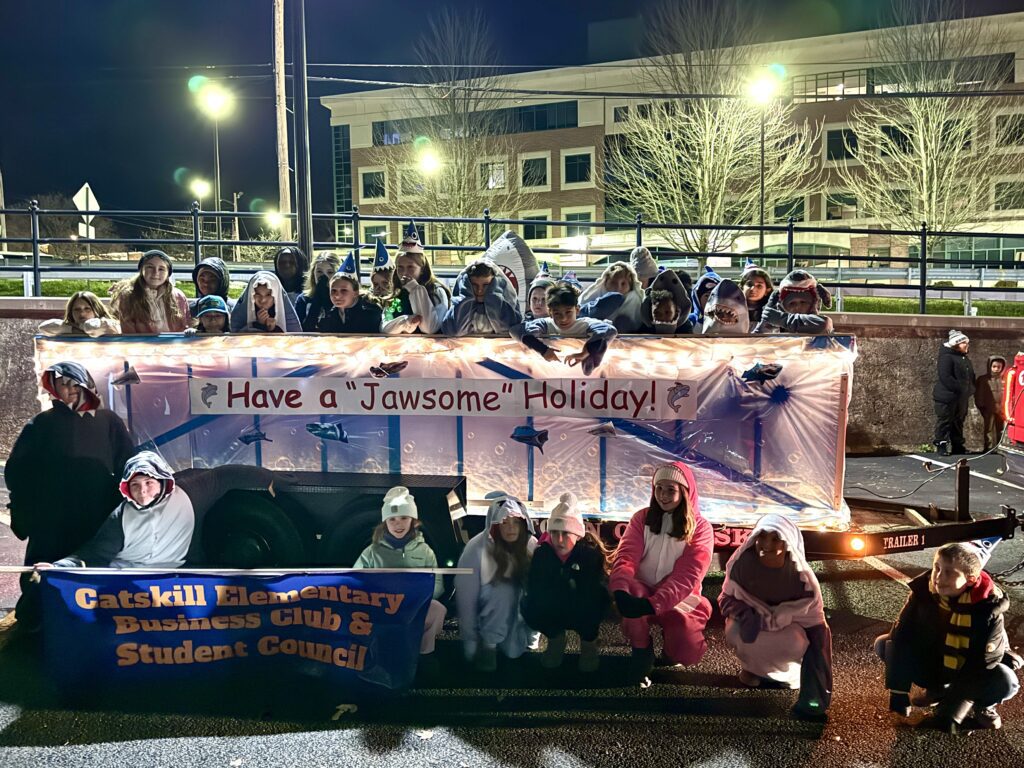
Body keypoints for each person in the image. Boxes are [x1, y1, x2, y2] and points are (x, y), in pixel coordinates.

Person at [5, 362, 134, 629]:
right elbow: (18, 470)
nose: (70, 389)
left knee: (92, 564)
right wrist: (25, 508)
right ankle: (34, 621)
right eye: (63, 383)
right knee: (43, 567)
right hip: (51, 516)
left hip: (97, 512)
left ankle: (92, 621)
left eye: (75, 382)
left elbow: (126, 462)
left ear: (87, 383)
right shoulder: (41, 423)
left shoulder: (109, 421)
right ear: (54, 389)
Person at [874, 541, 1021, 733]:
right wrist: (898, 691)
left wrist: (952, 713)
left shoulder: (988, 610)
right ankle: (937, 690)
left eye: (949, 572)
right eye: (936, 568)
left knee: (1006, 680)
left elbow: (981, 665)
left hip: (971, 668)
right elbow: (901, 637)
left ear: (970, 580)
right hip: (939, 660)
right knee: (884, 644)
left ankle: (983, 706)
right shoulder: (923, 593)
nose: (938, 577)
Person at [47, 451, 277, 569]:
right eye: (135, 486)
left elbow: (226, 475)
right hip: (127, 583)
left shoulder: (191, 493)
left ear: (163, 480)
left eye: (149, 483)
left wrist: (271, 478)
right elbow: (93, 555)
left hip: (175, 578)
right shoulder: (121, 516)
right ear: (126, 488)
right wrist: (58, 567)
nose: (143, 492)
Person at [719, 514, 833, 721]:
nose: (766, 544)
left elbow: (818, 631)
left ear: (787, 543)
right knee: (734, 629)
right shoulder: (740, 567)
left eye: (775, 538)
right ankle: (752, 669)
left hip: (788, 637)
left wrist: (815, 695)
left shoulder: (803, 582)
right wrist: (747, 614)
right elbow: (725, 598)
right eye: (762, 537)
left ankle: (788, 675)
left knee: (794, 639)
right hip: (751, 628)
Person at [609, 461, 714, 682]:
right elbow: (626, 556)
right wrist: (620, 588)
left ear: (685, 493)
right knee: (631, 599)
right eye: (659, 488)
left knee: (687, 651)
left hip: (681, 597)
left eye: (671, 490)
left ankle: (671, 647)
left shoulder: (701, 528)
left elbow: (689, 575)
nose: (663, 495)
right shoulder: (641, 518)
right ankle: (641, 650)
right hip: (643, 589)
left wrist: (654, 603)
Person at [353, 486, 447, 659]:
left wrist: (418, 598)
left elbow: (438, 583)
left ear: (413, 520)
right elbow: (355, 579)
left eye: (404, 518)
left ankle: (425, 653)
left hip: (415, 605)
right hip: (381, 606)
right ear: (385, 522)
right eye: (392, 519)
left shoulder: (425, 551)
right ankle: (377, 654)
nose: (398, 524)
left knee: (438, 610)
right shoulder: (372, 552)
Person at [521, 493, 610, 672]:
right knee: (529, 605)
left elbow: (593, 593)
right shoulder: (542, 554)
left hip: (582, 606)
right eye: (554, 533)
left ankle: (588, 644)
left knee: (594, 604)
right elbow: (536, 589)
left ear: (578, 535)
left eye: (565, 533)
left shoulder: (590, 555)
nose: (559, 540)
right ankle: (555, 639)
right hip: (555, 605)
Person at [455, 492, 538, 671]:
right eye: (504, 522)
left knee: (514, 653)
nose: (511, 528)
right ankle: (489, 647)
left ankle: (520, 642)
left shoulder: (531, 545)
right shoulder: (477, 548)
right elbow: (466, 599)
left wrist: (533, 637)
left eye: (516, 522)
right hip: (486, 617)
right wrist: (470, 642)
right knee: (503, 591)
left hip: (517, 616)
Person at [510, 283, 617, 375]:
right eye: (557, 313)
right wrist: (543, 350)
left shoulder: (585, 323)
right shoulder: (544, 323)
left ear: (577, 310)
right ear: (550, 313)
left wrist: (585, 352)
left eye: (568, 312)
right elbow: (516, 330)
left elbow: (609, 330)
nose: (563, 318)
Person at [109, 249, 190, 333]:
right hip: (142, 344)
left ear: (168, 274)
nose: (155, 273)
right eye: (150, 267)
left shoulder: (178, 296)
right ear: (141, 271)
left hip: (174, 344)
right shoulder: (128, 296)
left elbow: (185, 326)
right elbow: (128, 332)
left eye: (161, 269)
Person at [442, 258, 522, 336]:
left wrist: (493, 298)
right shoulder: (458, 309)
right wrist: (466, 298)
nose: (480, 290)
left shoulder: (505, 309)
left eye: (486, 285)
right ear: (467, 284)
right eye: (474, 285)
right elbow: (455, 331)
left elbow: (506, 329)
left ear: (494, 284)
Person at [315, 254, 384, 333]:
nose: (337, 296)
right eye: (333, 290)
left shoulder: (370, 312)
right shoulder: (330, 314)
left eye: (344, 290)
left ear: (355, 292)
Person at [932, 330, 975, 456]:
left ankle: (958, 445)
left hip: (961, 397)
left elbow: (971, 376)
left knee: (958, 421)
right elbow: (945, 377)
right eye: (964, 343)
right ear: (956, 344)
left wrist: (971, 389)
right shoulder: (946, 357)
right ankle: (941, 445)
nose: (967, 345)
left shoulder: (964, 359)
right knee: (945, 421)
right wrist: (961, 388)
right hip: (947, 397)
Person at [752, 269, 833, 335]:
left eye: (803, 302)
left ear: (813, 304)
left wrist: (782, 319)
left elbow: (824, 324)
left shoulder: (820, 324)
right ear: (783, 306)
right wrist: (767, 318)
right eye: (792, 303)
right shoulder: (776, 327)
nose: (798, 307)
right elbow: (756, 338)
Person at [390, 249, 451, 334]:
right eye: (400, 267)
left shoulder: (436, 291)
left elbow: (429, 328)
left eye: (410, 267)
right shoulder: (397, 291)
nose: (404, 273)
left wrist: (415, 289)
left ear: (422, 269)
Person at [577, 261, 644, 333]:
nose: (618, 288)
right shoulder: (596, 294)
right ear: (605, 282)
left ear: (630, 285)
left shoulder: (635, 299)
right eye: (613, 283)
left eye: (623, 283)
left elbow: (638, 321)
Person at [230, 270, 302, 333]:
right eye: (257, 294)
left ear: (276, 296)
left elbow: (295, 339)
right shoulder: (241, 311)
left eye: (268, 295)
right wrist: (258, 324)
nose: (262, 300)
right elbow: (235, 338)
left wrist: (274, 329)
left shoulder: (285, 310)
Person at [37, 291, 120, 337]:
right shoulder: (70, 325)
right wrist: (71, 328)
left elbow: (92, 328)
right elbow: (43, 327)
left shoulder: (108, 323)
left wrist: (79, 327)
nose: (82, 313)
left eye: (87, 309)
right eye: (77, 309)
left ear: (97, 310)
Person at [295, 251, 342, 330]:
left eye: (330, 272)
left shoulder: (343, 299)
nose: (323, 276)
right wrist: (317, 298)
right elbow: (298, 328)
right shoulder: (303, 299)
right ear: (313, 273)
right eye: (319, 271)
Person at [638, 269, 693, 334]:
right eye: (657, 313)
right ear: (650, 313)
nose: (662, 317)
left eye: (667, 312)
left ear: (676, 313)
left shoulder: (685, 330)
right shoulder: (644, 330)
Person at [975, 355, 1008, 452]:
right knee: (989, 429)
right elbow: (979, 393)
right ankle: (989, 447)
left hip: (1002, 408)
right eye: (994, 366)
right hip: (988, 407)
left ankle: (999, 446)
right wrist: (981, 405)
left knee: (1001, 429)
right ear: (989, 366)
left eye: (999, 367)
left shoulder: (1005, 379)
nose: (996, 369)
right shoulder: (984, 379)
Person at [739, 259, 774, 325]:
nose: (753, 289)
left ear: (767, 290)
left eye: (759, 286)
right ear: (742, 287)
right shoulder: (732, 308)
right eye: (749, 284)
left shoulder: (774, 310)